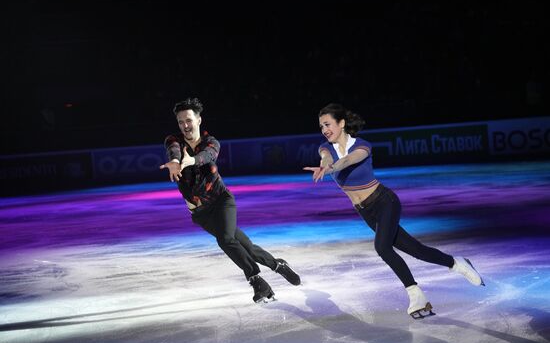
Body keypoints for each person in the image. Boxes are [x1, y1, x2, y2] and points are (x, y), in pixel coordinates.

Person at [303, 103, 484, 319]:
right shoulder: (325, 148)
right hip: (366, 212)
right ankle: (456, 263)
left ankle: (415, 294)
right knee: (416, 250)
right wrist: (326, 165)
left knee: (382, 247)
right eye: (321, 126)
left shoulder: (362, 145)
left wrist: (331, 169)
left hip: (384, 201)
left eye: (327, 124)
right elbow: (328, 158)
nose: (324, 129)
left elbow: (349, 160)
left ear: (341, 123)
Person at [160, 98, 301, 303]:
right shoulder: (174, 141)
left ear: (199, 120)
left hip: (221, 201)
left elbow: (208, 156)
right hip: (200, 213)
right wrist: (175, 161)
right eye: (181, 122)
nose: (185, 126)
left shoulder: (211, 142)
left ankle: (256, 280)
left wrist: (191, 160)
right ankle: (278, 265)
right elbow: (173, 149)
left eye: (189, 120)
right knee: (245, 246)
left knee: (225, 240)